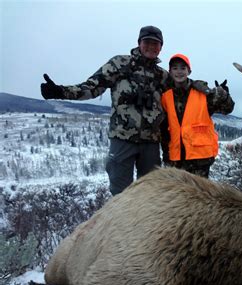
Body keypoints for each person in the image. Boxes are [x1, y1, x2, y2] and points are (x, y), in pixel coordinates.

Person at [40, 25, 169, 195]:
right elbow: (92, 87)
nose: (151, 46)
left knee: (151, 194)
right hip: (123, 139)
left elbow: (182, 97)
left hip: (151, 143)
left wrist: (212, 95)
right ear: (139, 43)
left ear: (161, 47)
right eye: (147, 42)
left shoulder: (163, 76)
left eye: (156, 43)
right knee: (120, 193)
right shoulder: (119, 63)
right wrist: (61, 91)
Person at [160, 53, 234, 178]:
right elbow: (164, 128)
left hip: (200, 160)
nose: (179, 72)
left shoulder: (202, 93)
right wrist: (166, 154)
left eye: (183, 68)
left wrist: (224, 95)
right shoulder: (165, 97)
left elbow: (227, 109)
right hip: (176, 159)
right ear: (170, 72)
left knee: (199, 196)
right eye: (175, 68)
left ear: (189, 71)